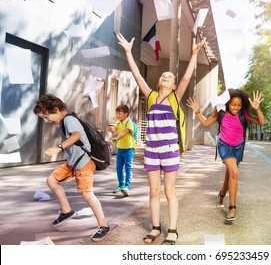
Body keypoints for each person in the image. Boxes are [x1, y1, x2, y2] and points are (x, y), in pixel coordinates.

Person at [116, 32, 206, 245]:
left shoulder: (175, 96)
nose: (165, 77)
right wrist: (129, 52)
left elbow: (185, 77)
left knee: (169, 191)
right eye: (162, 75)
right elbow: (137, 75)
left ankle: (172, 230)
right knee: (154, 191)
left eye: (169, 77)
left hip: (169, 151)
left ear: (174, 85)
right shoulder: (152, 95)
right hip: (152, 151)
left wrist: (194, 54)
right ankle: (156, 228)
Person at [32, 94, 110, 241]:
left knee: (87, 193)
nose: (46, 121)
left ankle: (104, 225)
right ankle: (66, 211)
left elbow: (76, 135)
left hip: (84, 163)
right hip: (73, 163)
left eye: (46, 117)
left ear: (56, 109)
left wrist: (58, 148)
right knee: (52, 180)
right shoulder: (63, 122)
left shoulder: (69, 120)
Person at [187, 89, 265, 221]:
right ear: (227, 103)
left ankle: (221, 195)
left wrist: (257, 109)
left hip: (238, 147)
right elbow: (206, 122)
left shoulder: (244, 115)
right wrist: (197, 111)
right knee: (234, 173)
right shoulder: (221, 113)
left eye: (239, 105)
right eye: (233, 104)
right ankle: (233, 207)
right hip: (224, 145)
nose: (236, 107)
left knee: (230, 175)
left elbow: (261, 122)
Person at [107, 104, 136, 197]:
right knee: (119, 167)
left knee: (128, 167)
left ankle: (127, 187)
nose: (118, 115)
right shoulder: (118, 122)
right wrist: (111, 129)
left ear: (126, 114)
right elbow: (114, 129)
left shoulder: (129, 123)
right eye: (117, 114)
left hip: (129, 149)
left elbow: (124, 133)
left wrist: (114, 140)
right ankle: (121, 185)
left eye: (120, 113)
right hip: (120, 149)